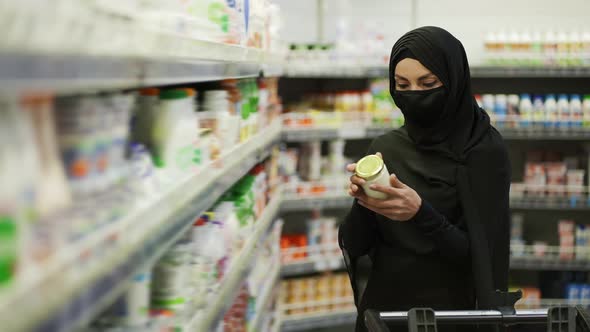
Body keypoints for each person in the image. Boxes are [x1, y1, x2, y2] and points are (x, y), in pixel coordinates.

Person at [338, 26, 511, 332]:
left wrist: (421, 213)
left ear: (454, 80)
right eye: (402, 85)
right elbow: (355, 243)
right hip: (385, 313)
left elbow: (481, 258)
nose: (414, 95)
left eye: (427, 83)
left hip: (452, 317)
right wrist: (364, 202)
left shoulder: (484, 152)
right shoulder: (385, 148)